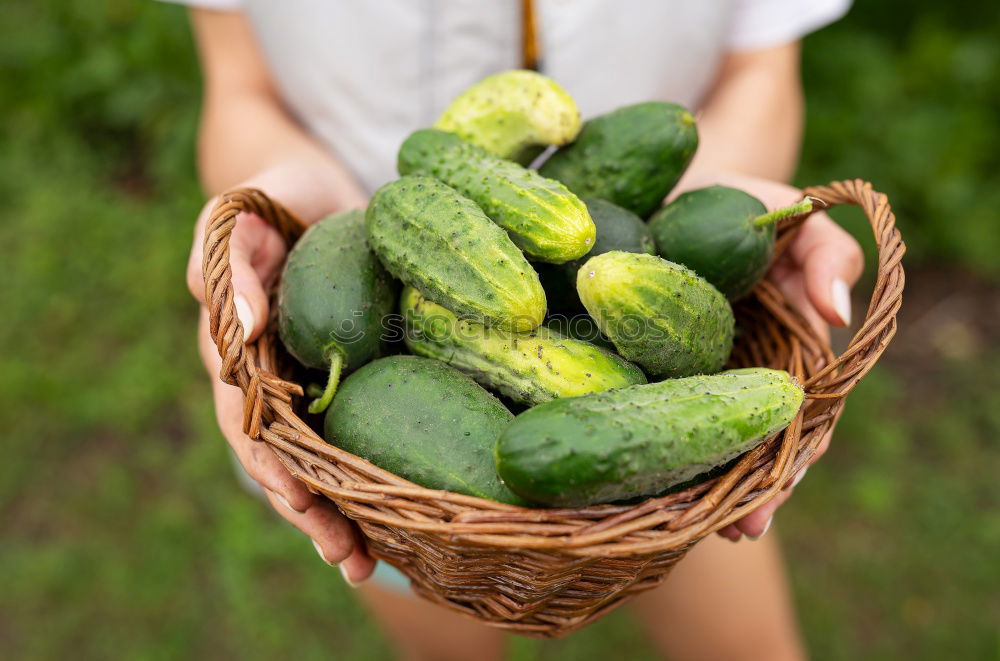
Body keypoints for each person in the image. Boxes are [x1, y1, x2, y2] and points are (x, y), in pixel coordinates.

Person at [180, 2, 864, 659]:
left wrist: (716, 195)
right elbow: (240, 90)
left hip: (634, 231)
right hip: (363, 285)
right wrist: (272, 200)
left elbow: (763, 71)